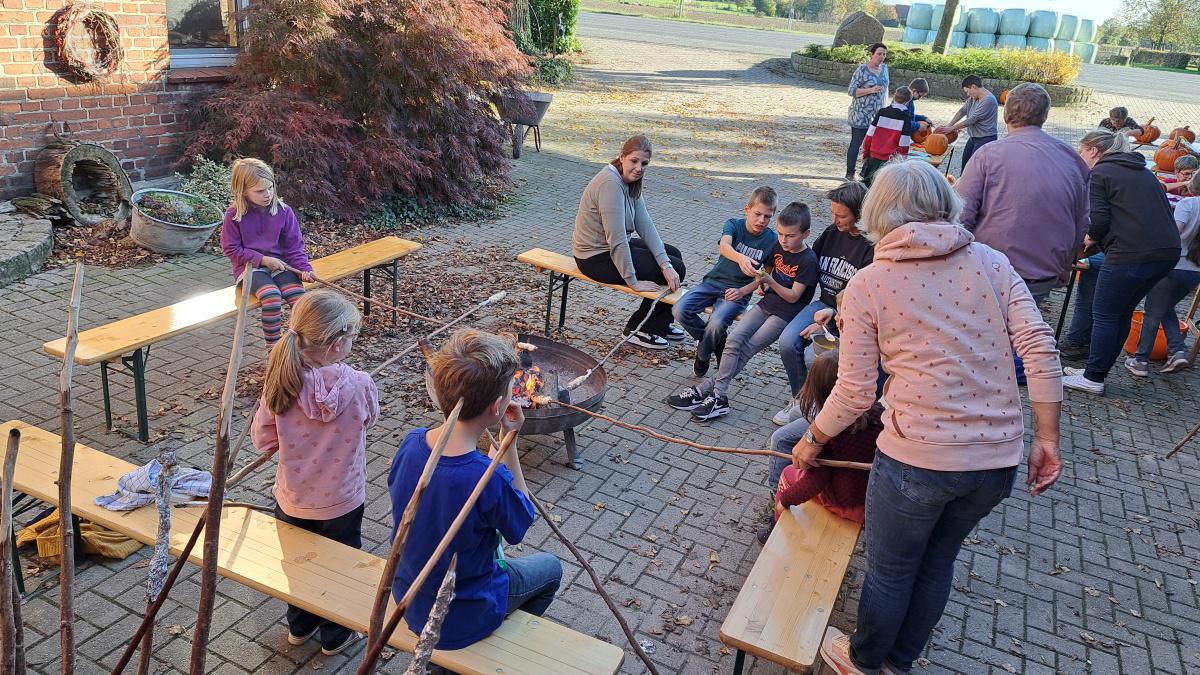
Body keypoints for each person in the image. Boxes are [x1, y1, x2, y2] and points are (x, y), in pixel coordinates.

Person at [799, 160, 1062, 675]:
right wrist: (1047, 438)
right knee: (937, 563)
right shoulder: (992, 261)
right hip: (995, 462)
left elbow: (854, 392)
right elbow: (1040, 346)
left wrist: (811, 439)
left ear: (877, 211)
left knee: (891, 572)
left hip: (916, 459)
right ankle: (898, 662)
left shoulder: (869, 284)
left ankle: (863, 660)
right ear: (946, 201)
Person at [389, 329, 561, 650]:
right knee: (552, 569)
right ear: (498, 406)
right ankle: (491, 648)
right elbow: (520, 526)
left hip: (409, 595)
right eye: (512, 391)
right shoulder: (485, 478)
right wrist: (510, 443)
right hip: (461, 613)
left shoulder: (412, 443)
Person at [250, 289, 378, 656]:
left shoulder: (282, 382)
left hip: (293, 499)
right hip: (343, 500)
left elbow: (264, 440)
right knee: (340, 566)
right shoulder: (360, 384)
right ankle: (335, 636)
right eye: (353, 337)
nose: (354, 343)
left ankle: (300, 626)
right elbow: (370, 418)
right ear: (338, 344)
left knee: (297, 564)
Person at [667, 202, 818, 421]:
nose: (784, 240)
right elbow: (764, 277)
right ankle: (714, 395)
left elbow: (794, 296)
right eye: (781, 234)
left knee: (747, 349)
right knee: (734, 340)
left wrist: (769, 282)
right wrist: (754, 287)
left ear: (806, 234)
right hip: (766, 304)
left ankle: (712, 394)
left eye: (790, 236)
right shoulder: (778, 247)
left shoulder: (808, 260)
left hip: (785, 313)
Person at [1063, 130, 1182, 394]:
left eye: (1081, 151)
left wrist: (1080, 245)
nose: (1079, 157)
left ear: (1094, 151)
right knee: (1122, 312)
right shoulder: (1142, 171)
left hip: (1130, 253)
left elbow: (1099, 221)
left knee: (1104, 313)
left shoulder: (1100, 174)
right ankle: (1096, 370)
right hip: (1166, 252)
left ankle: (1093, 378)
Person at [956, 83, 1090, 303]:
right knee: (1025, 333)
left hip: (990, 270)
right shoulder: (1073, 158)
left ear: (1006, 114)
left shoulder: (989, 154)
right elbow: (1081, 221)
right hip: (1042, 273)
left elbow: (962, 215)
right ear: (1044, 116)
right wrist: (1066, 264)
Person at [573, 135, 687, 350]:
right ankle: (640, 329)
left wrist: (665, 263)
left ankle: (659, 322)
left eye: (644, 163)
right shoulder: (610, 184)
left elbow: (645, 225)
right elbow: (616, 240)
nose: (639, 168)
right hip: (595, 258)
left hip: (611, 249)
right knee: (677, 270)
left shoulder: (630, 182)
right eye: (634, 161)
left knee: (673, 256)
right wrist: (632, 280)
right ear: (622, 157)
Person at [774, 182, 874, 425]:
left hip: (850, 317)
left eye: (841, 215)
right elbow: (806, 261)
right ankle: (801, 400)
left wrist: (826, 327)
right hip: (822, 305)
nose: (835, 219)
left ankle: (824, 407)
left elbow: (866, 300)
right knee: (787, 342)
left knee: (815, 358)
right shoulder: (832, 233)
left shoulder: (871, 246)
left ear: (859, 214)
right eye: (833, 213)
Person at [760, 349, 882, 544]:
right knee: (794, 417)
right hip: (871, 494)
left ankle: (776, 523)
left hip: (847, 503)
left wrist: (786, 499)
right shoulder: (877, 410)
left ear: (817, 388)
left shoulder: (828, 432)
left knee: (788, 474)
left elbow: (816, 481)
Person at [673, 187, 779, 377]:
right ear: (747, 209)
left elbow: (765, 276)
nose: (761, 220)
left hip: (737, 293)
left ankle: (703, 354)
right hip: (712, 283)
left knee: (716, 323)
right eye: (757, 214)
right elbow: (724, 246)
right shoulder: (734, 225)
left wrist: (746, 290)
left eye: (767, 216)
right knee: (679, 309)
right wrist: (741, 258)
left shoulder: (772, 240)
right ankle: (717, 341)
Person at [220, 158, 317, 346]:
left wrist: (304, 268)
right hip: (250, 270)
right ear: (243, 191)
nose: (268, 194)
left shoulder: (283, 211)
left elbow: (294, 247)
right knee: (271, 298)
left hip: (282, 267)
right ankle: (273, 351)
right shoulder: (234, 215)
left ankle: (301, 348)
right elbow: (231, 249)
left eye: (270, 188)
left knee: (300, 301)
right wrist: (262, 259)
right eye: (260, 191)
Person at [1126, 171, 1200, 376]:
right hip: (1194, 271)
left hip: (1173, 265)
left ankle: (1141, 361)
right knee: (1164, 307)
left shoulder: (1189, 205)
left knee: (1153, 311)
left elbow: (1173, 234)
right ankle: (1177, 350)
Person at [845, 43, 889, 181]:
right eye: (879, 54)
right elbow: (851, 91)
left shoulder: (885, 69)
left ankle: (867, 173)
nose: (881, 57)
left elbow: (886, 89)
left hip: (878, 115)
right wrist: (870, 90)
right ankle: (849, 173)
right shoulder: (862, 70)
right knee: (856, 143)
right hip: (861, 114)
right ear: (872, 54)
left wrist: (885, 108)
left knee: (875, 146)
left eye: (884, 54)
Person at [935, 75, 998, 169]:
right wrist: (949, 125)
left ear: (973, 87)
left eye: (967, 91)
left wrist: (952, 128)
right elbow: (962, 111)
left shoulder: (989, 100)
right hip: (973, 138)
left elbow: (972, 120)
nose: (967, 94)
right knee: (965, 166)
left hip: (985, 139)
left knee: (974, 169)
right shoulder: (974, 98)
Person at [860, 86, 915, 185]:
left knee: (867, 184)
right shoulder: (905, 117)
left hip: (873, 155)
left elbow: (869, 136)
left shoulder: (882, 112)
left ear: (894, 97)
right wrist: (901, 161)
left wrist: (866, 153)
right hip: (890, 160)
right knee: (883, 186)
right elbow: (904, 143)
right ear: (908, 101)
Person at [1058, 251, 1105, 362]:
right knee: (1102, 308)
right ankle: (1085, 343)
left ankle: (1074, 342)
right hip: (1131, 257)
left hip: (1104, 255)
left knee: (1085, 303)